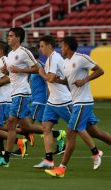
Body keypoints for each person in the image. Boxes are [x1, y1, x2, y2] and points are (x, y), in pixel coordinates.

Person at [45, 36, 109, 177]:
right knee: (95, 132)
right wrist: (60, 81)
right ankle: (95, 153)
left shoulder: (81, 58)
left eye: (62, 46)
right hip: (77, 102)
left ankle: (63, 168)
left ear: (67, 46)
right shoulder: (66, 63)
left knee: (71, 133)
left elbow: (100, 70)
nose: (60, 49)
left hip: (83, 102)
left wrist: (85, 80)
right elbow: (69, 81)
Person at [0, 27, 43, 167]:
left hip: (22, 92)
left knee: (11, 123)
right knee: (26, 127)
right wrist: (6, 71)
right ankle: (55, 134)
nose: (8, 38)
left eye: (11, 36)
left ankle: (5, 159)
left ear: (18, 38)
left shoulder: (24, 52)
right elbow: (12, 74)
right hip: (14, 93)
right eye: (8, 35)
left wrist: (20, 70)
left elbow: (37, 68)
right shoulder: (11, 54)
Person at [12, 46, 66, 156]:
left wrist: (49, 98)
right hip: (35, 100)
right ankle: (58, 136)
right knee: (43, 127)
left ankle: (23, 148)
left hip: (39, 101)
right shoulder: (32, 67)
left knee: (26, 126)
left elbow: (47, 82)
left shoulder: (40, 66)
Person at [33, 35, 73, 169]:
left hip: (63, 100)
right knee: (46, 127)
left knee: (82, 128)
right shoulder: (51, 58)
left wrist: (41, 72)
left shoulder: (54, 58)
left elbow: (49, 78)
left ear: (50, 45)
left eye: (42, 45)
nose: (40, 48)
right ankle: (49, 160)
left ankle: (95, 151)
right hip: (53, 101)